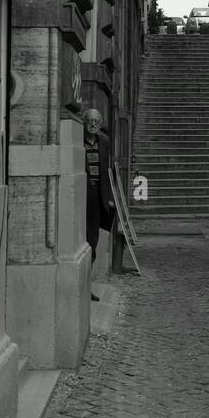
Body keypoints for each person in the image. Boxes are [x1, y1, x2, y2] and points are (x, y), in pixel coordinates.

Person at [83, 108, 115, 294]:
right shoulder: (78, 140)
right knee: (84, 239)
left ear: (101, 123)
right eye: (90, 120)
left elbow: (106, 172)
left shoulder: (104, 142)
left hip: (98, 196)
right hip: (82, 194)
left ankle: (87, 285)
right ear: (84, 122)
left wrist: (108, 198)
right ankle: (84, 286)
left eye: (96, 121)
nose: (93, 124)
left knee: (93, 241)